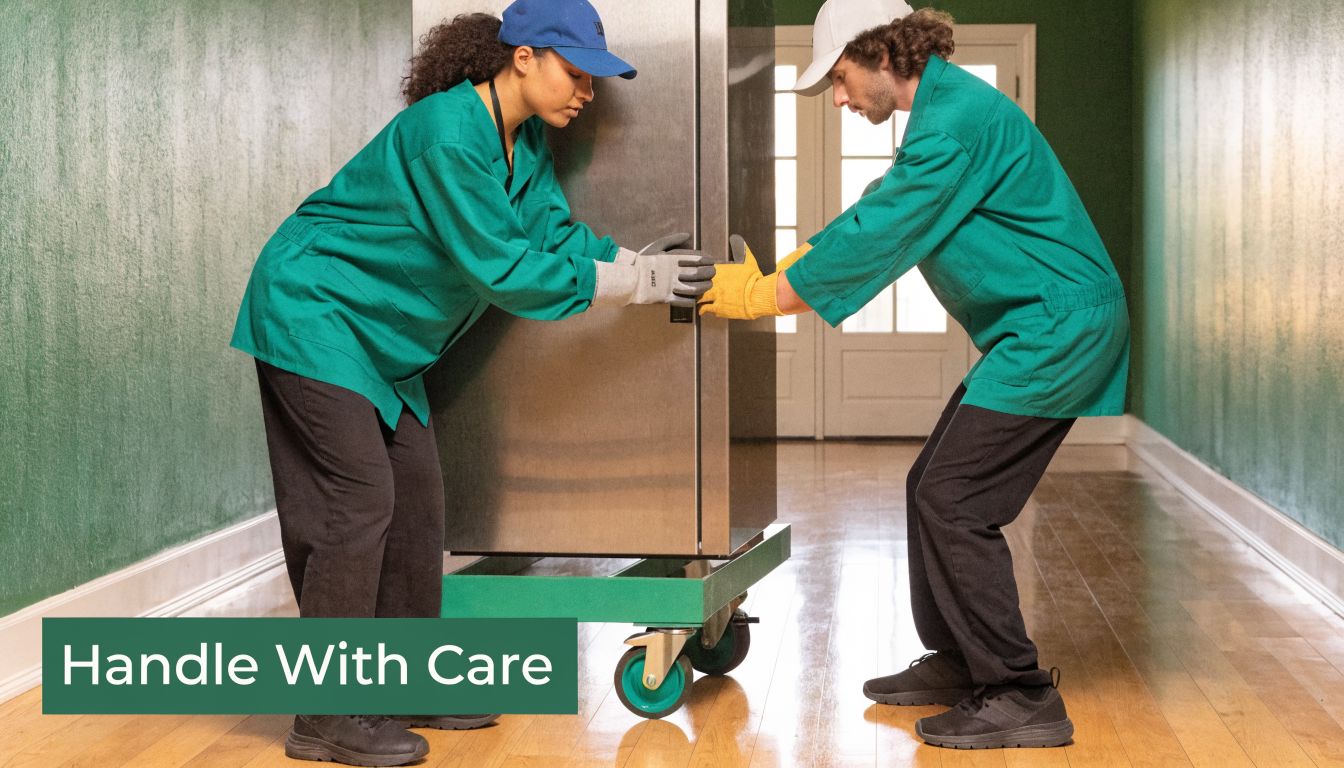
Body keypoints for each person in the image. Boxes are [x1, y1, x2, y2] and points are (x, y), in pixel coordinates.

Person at [230, 0, 714, 764]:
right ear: (522, 55)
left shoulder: (522, 144)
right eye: (575, 71)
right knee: (356, 507)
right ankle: (324, 714)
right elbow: (502, 267)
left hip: (385, 342)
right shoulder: (448, 130)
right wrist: (636, 286)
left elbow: (550, 234)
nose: (586, 90)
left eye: (594, 77)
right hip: (314, 315)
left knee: (417, 507)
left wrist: (638, 266)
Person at [699, 0, 1128, 751]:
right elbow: (876, 211)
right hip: (1038, 329)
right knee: (930, 482)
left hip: (1058, 329)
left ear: (881, 54)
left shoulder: (956, 122)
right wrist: (781, 271)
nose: (837, 98)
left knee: (953, 495)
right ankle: (963, 661)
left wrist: (760, 295)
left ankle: (1020, 693)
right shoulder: (941, 119)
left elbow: (884, 231)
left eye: (838, 79)